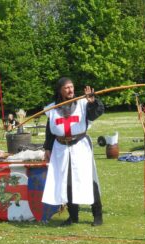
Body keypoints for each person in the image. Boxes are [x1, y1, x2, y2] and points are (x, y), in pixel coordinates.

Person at [42, 77, 105, 226]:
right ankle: (73, 216)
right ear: (60, 90)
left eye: (72, 87)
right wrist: (47, 148)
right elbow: (50, 131)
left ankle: (98, 215)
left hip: (80, 146)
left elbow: (96, 113)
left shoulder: (83, 103)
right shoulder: (51, 109)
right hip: (60, 148)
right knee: (67, 182)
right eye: (67, 88)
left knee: (88, 180)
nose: (70, 90)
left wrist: (93, 102)